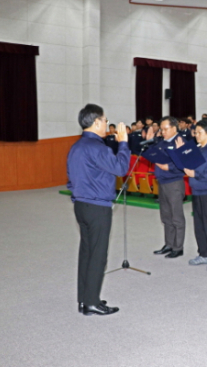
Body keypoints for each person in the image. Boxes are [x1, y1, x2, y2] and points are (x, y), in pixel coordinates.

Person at [67, 104, 129, 316]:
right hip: (97, 207)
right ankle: (92, 302)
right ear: (95, 122)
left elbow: (72, 178)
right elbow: (121, 168)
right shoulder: (98, 148)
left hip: (80, 205)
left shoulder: (75, 147)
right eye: (104, 120)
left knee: (86, 252)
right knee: (98, 255)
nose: (107, 124)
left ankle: (84, 300)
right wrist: (123, 143)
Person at [180, 120, 207, 272]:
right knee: (198, 224)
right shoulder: (197, 148)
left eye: (199, 132)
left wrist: (195, 173)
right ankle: (203, 253)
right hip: (197, 189)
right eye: (195, 132)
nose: (196, 135)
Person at [143, 117, 187, 259]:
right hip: (162, 182)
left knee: (177, 217)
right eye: (161, 129)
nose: (162, 132)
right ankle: (169, 244)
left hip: (174, 183)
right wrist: (149, 144)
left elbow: (186, 164)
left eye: (165, 129)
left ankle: (178, 247)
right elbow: (154, 156)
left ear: (174, 128)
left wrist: (170, 167)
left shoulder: (181, 142)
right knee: (166, 216)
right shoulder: (162, 143)